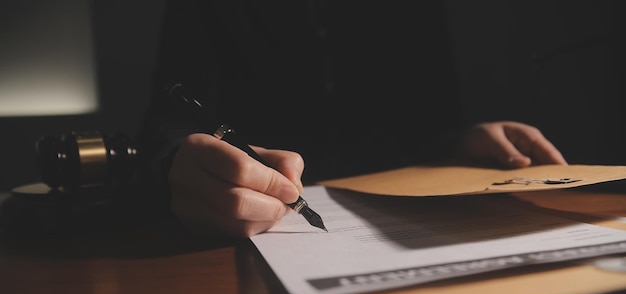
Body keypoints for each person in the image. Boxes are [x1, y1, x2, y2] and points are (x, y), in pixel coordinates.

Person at [138, 0, 567, 237]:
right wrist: (182, 161)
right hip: (234, 241)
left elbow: (427, 127)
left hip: (410, 212)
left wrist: (461, 143)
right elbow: (169, 121)